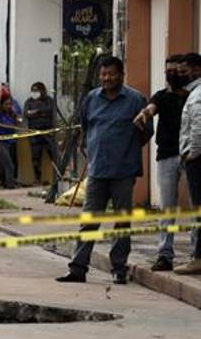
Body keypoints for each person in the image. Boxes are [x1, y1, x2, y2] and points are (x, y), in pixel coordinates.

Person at [57, 55, 150, 284]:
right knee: (89, 220)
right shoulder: (91, 98)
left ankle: (119, 268)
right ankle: (78, 269)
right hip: (97, 170)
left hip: (123, 171)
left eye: (111, 74)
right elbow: (87, 128)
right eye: (103, 74)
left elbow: (146, 132)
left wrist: (125, 150)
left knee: (121, 222)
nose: (106, 78)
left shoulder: (135, 100)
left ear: (121, 75)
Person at [131, 56, 190, 271]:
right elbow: (151, 108)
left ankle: (196, 253)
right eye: (169, 71)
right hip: (166, 155)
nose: (172, 75)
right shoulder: (161, 96)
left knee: (195, 206)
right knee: (168, 207)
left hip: (191, 154)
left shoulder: (193, 96)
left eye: (177, 71)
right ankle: (165, 254)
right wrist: (144, 114)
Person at [171, 52, 201, 275]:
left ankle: (198, 257)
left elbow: (198, 125)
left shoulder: (198, 94)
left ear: (196, 70)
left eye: (184, 72)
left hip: (197, 160)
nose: (179, 76)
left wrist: (193, 153)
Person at [24, 81, 60, 185]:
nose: (34, 93)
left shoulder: (49, 100)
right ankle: (37, 179)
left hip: (48, 132)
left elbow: (49, 110)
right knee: (35, 157)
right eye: (33, 90)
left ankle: (58, 176)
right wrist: (39, 113)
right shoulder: (29, 102)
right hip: (34, 133)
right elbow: (27, 114)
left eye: (37, 90)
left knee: (54, 154)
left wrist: (37, 111)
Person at [0, 94, 20, 190]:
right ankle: (10, 186)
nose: (8, 106)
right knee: (9, 165)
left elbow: (17, 122)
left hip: (7, 144)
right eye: (6, 104)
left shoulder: (10, 115)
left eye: (10, 104)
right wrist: (1, 90)